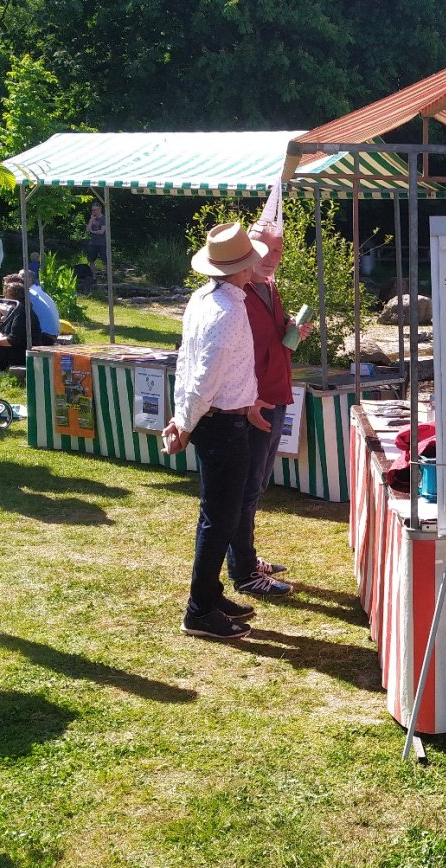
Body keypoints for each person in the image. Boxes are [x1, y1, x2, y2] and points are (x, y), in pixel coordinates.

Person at [162, 222, 272, 640]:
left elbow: (189, 367)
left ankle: (208, 595)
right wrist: (185, 423)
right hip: (220, 423)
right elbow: (202, 377)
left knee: (220, 517)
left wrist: (183, 418)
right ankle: (200, 609)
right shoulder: (223, 310)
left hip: (222, 419)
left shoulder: (206, 299)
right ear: (241, 268)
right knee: (219, 519)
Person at [225, 221, 312, 598]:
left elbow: (272, 347)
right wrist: (247, 399)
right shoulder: (237, 295)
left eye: (279, 250)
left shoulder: (268, 288)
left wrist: (292, 333)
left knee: (255, 486)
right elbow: (231, 355)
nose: (273, 258)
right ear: (247, 251)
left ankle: (246, 559)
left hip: (274, 398)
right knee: (245, 489)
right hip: (253, 405)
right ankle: (243, 571)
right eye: (266, 249)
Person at [0, 279, 49, 371]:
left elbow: (12, 340)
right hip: (15, 350)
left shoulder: (22, 311)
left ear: (11, 295)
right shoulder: (18, 308)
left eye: (6, 295)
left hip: (21, 354)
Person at [23, 268, 60, 340]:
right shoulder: (37, 291)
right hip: (53, 332)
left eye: (20, 277)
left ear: (29, 280)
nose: (17, 281)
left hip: (46, 335)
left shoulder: (30, 294)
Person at [86, 203, 107, 274]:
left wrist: (92, 231)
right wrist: (91, 220)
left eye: (95, 210)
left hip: (102, 244)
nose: (93, 211)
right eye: (92, 210)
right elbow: (87, 230)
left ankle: (109, 278)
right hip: (93, 243)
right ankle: (94, 277)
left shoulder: (104, 219)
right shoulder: (92, 219)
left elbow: (101, 232)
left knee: (105, 261)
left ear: (99, 209)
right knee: (91, 261)